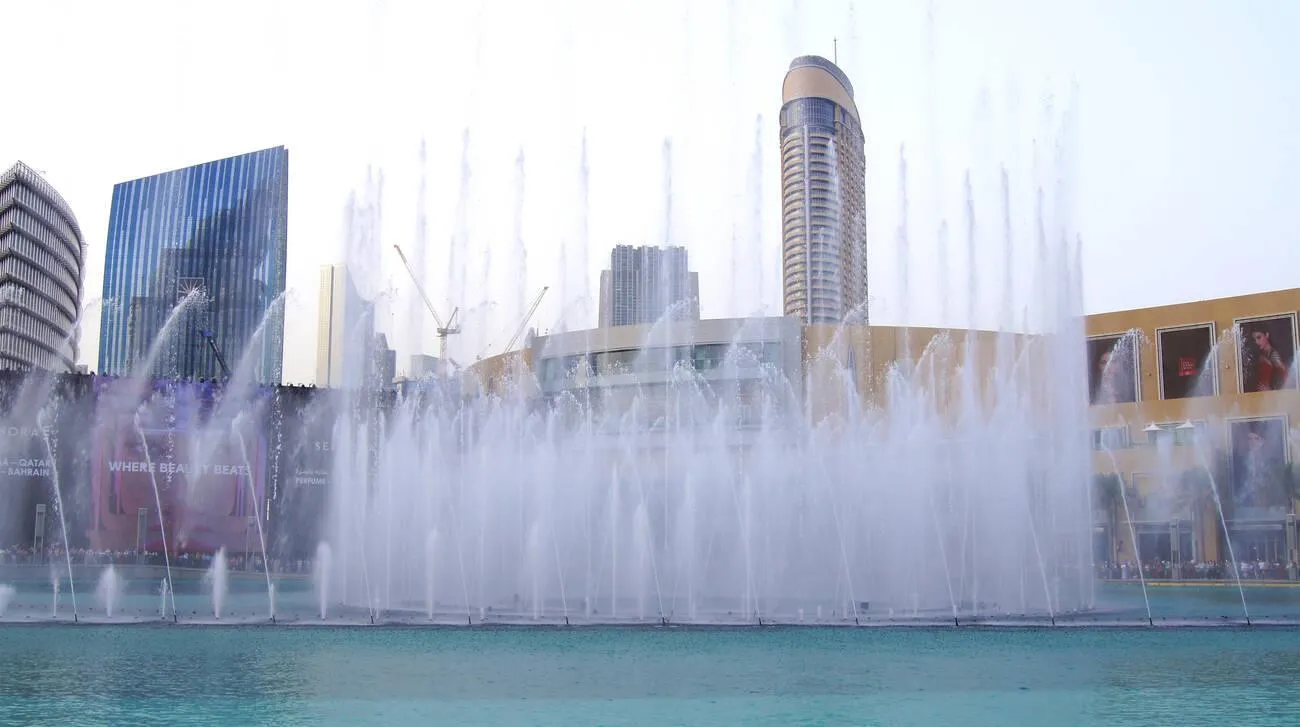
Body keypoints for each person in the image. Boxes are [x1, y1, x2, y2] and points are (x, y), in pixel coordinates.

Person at [1246, 327, 1287, 391]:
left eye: (1259, 337)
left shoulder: (1274, 355)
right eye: (1254, 340)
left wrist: (1271, 390)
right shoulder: (1261, 355)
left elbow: (1286, 378)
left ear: (1267, 335)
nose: (1256, 342)